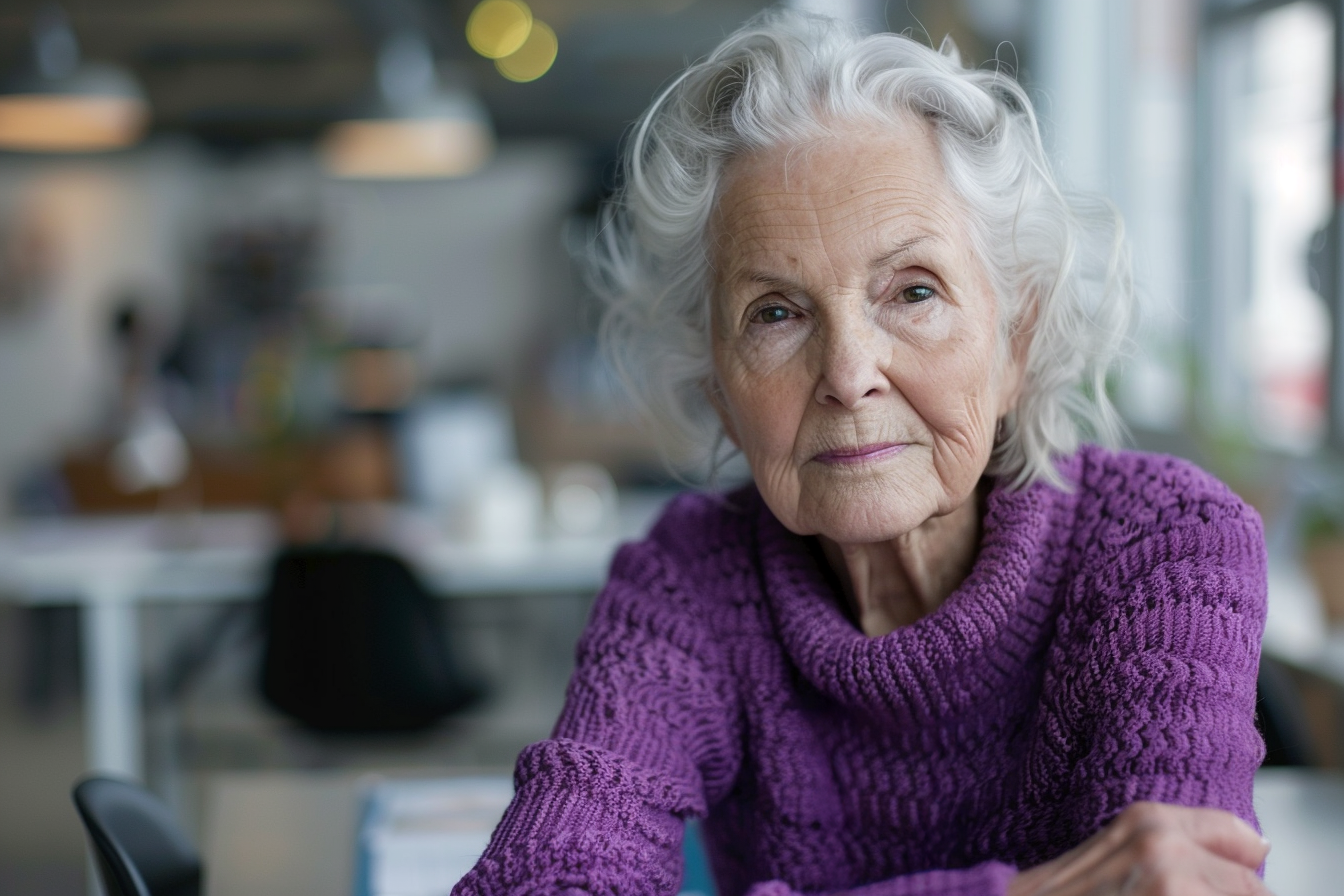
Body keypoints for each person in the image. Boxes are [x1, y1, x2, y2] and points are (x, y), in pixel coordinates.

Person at [455, 11, 1270, 896]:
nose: (848, 375)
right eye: (775, 312)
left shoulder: (1162, 546)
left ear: (1017, 344)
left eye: (913, 291)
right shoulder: (688, 584)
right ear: (719, 391)